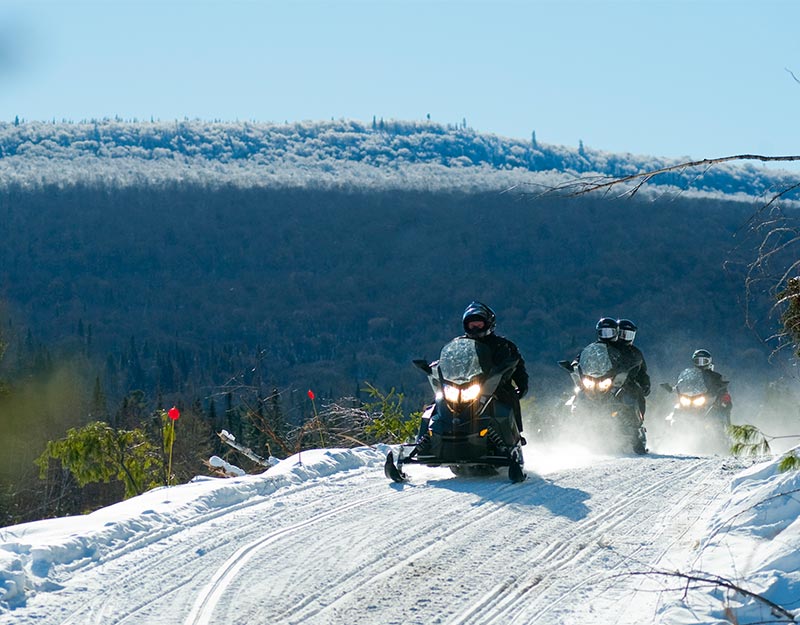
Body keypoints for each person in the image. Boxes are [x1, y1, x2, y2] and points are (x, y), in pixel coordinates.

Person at [461, 301, 529, 436]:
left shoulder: (503, 345)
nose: (475, 326)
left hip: (495, 388)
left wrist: (522, 387)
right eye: (472, 323)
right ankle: (425, 441)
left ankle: (513, 437)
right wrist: (435, 368)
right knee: (438, 403)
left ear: (488, 324)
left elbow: (518, 367)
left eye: (479, 323)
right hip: (464, 387)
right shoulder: (460, 345)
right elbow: (449, 361)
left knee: (507, 398)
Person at [614, 318, 651, 417]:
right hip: (606, 380)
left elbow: (642, 372)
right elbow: (592, 358)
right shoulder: (607, 348)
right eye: (622, 334)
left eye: (629, 335)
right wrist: (576, 364)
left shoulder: (635, 352)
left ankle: (637, 419)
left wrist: (645, 384)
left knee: (637, 391)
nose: (625, 337)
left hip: (627, 383)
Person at [691, 349, 732, 422]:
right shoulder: (690, 376)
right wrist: (675, 388)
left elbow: (722, 385)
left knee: (719, 413)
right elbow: (683, 384)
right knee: (678, 408)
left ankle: (724, 430)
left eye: (704, 361)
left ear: (709, 362)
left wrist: (720, 388)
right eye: (698, 361)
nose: (701, 364)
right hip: (693, 399)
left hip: (710, 400)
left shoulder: (716, 376)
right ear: (694, 362)